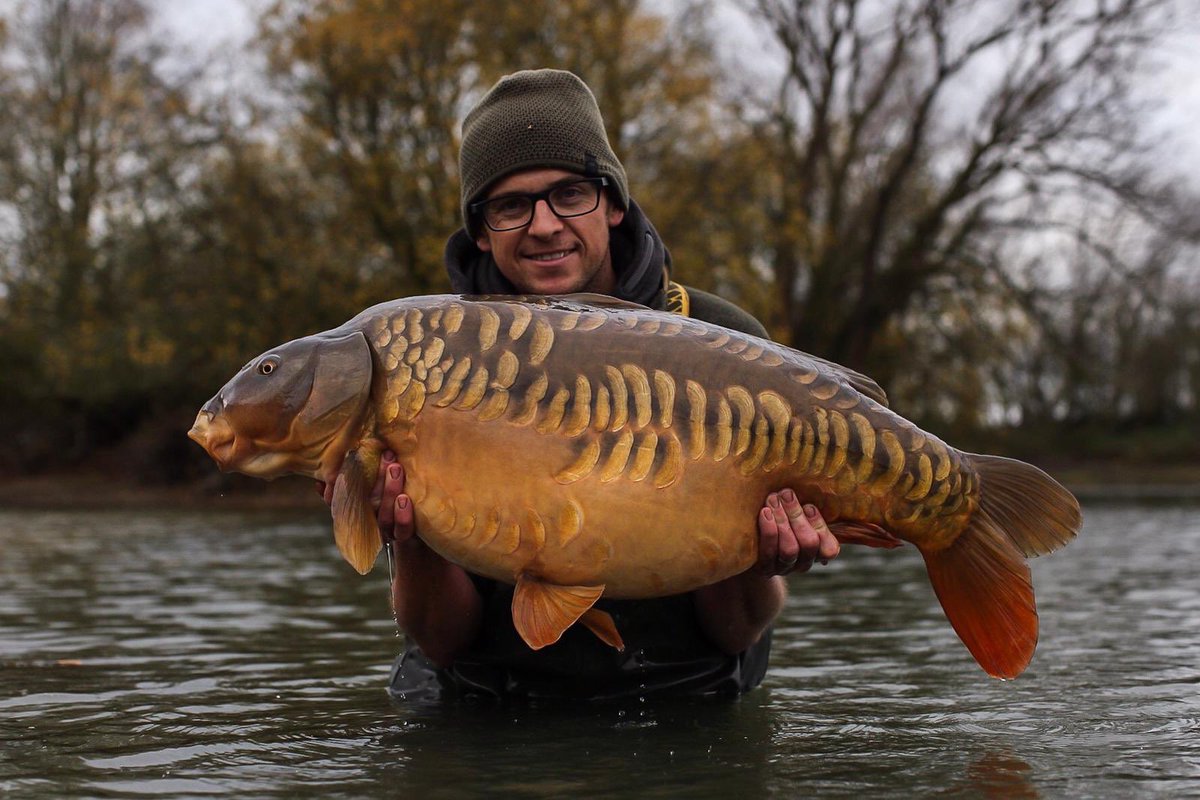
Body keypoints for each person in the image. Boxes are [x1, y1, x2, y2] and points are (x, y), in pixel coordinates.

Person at [327, 69, 840, 701]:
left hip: (688, 700)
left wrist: (761, 559)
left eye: (571, 194)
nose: (544, 225)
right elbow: (441, 640)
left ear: (615, 203)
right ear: (481, 230)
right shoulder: (423, 366)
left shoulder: (721, 339)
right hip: (489, 706)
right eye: (511, 205)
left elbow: (737, 629)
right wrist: (416, 537)